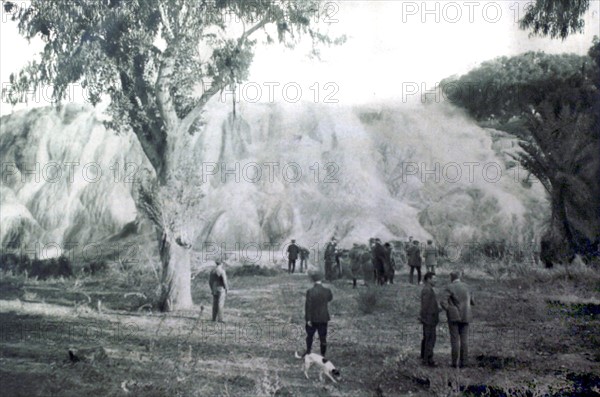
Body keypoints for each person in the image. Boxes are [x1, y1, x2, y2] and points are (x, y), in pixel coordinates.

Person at [440, 271, 475, 368]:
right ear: (460, 277)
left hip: (454, 317)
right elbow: (472, 302)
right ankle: (464, 362)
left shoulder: (449, 287)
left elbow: (443, 302)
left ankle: (454, 363)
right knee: (464, 340)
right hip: (466, 316)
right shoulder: (468, 286)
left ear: (451, 277)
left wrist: (449, 309)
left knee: (455, 340)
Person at [304, 272, 333, 356]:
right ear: (321, 280)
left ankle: (308, 352)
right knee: (323, 338)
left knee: (309, 336)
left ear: (313, 280)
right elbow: (330, 298)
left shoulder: (310, 291)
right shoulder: (327, 291)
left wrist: (308, 319)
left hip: (313, 318)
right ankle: (323, 355)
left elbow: (308, 306)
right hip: (323, 317)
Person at [420, 272, 440, 367]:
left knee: (427, 338)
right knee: (430, 339)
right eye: (434, 278)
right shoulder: (427, 290)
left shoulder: (428, 289)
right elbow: (425, 306)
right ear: (428, 279)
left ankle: (425, 358)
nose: (435, 280)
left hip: (429, 317)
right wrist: (423, 317)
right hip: (429, 318)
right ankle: (428, 360)